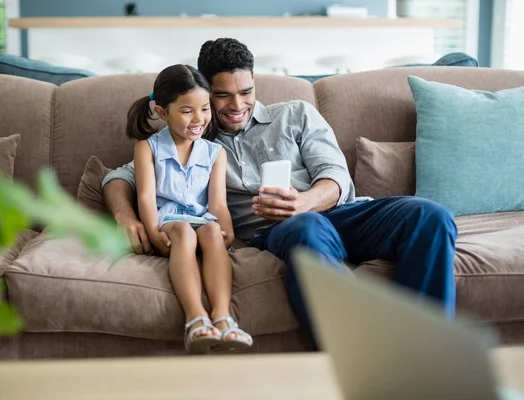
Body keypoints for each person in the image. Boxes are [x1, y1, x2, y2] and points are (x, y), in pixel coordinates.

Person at [103, 39, 458, 347]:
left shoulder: (296, 114)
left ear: (255, 82)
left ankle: (427, 349)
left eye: (245, 92)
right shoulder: (194, 139)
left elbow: (335, 176)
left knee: (430, 216)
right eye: (222, 96)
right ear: (205, 94)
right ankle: (360, 353)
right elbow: (121, 177)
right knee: (306, 229)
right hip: (280, 231)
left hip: (341, 213)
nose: (237, 105)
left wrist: (304, 202)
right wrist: (124, 214)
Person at [125, 64, 253, 354]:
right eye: (187, 111)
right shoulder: (148, 147)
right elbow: (145, 197)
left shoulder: (214, 152)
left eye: (205, 109)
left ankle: (223, 318)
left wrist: (227, 229)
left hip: (201, 220)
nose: (199, 119)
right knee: (184, 230)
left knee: (210, 229)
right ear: (161, 112)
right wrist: (154, 232)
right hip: (169, 222)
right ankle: (196, 319)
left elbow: (217, 203)